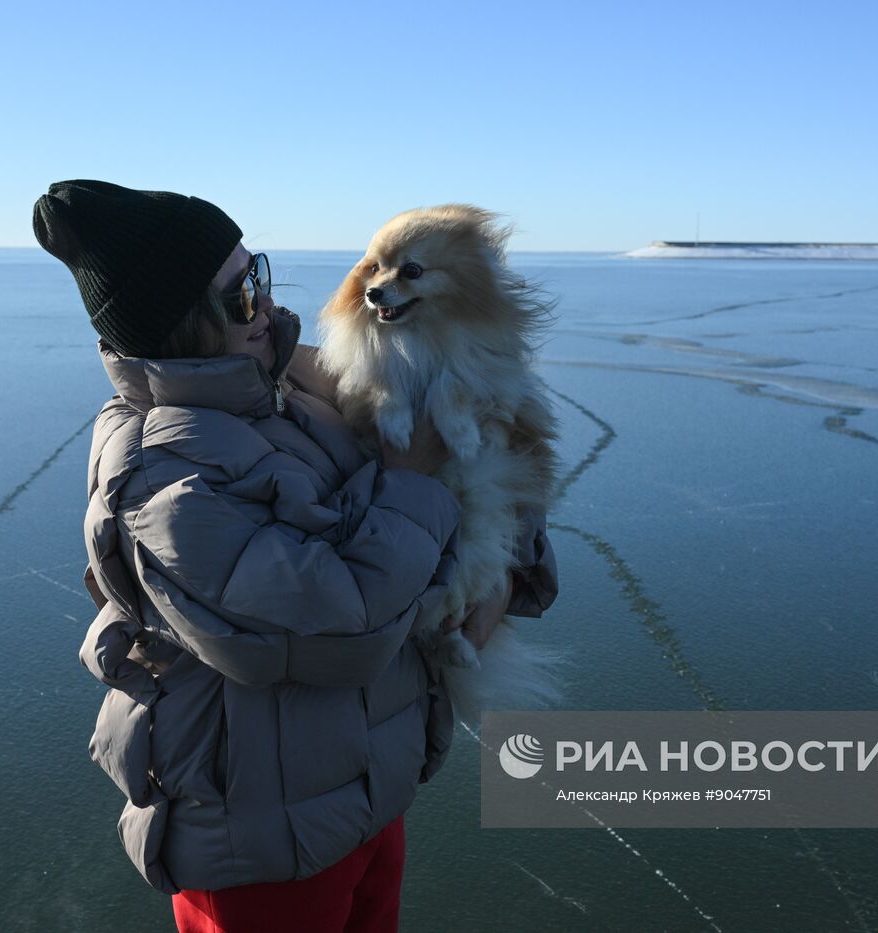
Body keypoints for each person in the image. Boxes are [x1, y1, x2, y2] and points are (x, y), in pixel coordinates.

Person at [33, 180, 558, 932]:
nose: (269, 305)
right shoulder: (166, 478)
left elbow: (478, 464)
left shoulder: (292, 387)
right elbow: (331, 629)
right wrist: (411, 480)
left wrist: (503, 544)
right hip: (261, 850)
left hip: (363, 796)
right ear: (183, 326)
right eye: (241, 295)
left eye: (260, 274)